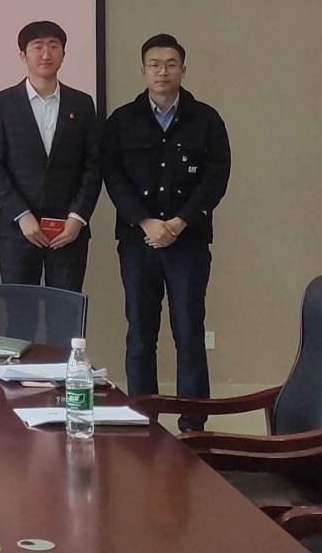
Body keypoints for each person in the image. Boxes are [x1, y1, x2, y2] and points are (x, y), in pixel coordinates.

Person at [102, 34, 230, 432]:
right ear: (142, 71)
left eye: (171, 64)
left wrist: (178, 222)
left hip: (188, 241)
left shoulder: (206, 119)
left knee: (189, 333)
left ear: (183, 70)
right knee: (141, 334)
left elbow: (215, 178)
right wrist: (145, 221)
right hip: (137, 242)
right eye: (154, 65)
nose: (162, 72)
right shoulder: (121, 121)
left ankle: (193, 425)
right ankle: (144, 421)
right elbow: (113, 177)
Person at [0, 21, 102, 306]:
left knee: (66, 313)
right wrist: (21, 215)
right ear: (23, 55)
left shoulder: (81, 104)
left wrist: (77, 218)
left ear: (63, 54)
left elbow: (93, 164)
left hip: (68, 232)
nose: (46, 54)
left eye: (53, 46)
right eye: (38, 47)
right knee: (19, 314)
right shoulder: (2, 103)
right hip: (18, 231)